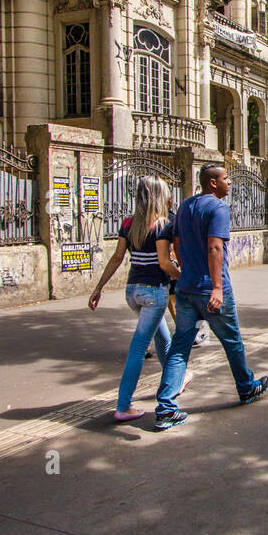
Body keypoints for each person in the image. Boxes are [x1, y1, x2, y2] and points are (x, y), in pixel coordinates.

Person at [154, 163, 268, 430]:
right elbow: (215, 247)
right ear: (213, 183)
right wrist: (216, 287)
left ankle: (165, 408)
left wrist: (184, 271)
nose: (230, 182)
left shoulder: (185, 206)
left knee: (180, 347)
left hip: (185, 290)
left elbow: (178, 243)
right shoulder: (218, 208)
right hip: (211, 292)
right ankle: (246, 387)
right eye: (226, 178)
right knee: (232, 342)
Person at [89, 174, 190, 423]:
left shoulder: (128, 223)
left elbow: (116, 258)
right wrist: (184, 279)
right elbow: (165, 263)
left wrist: (99, 287)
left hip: (132, 292)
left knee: (164, 339)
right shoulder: (162, 226)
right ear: (158, 196)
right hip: (154, 292)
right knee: (138, 349)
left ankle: (173, 382)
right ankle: (123, 405)